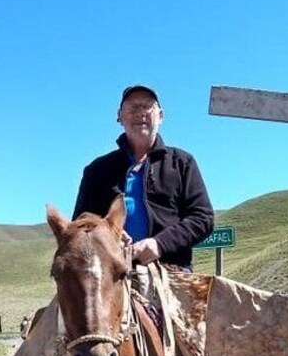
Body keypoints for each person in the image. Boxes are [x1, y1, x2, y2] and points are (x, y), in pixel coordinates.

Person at [73, 85, 214, 270]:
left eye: (147, 107)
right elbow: (79, 225)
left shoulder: (182, 163)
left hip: (171, 269)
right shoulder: (97, 170)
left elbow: (203, 218)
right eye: (133, 107)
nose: (141, 113)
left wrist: (159, 244)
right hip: (109, 273)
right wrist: (107, 234)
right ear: (120, 116)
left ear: (160, 116)